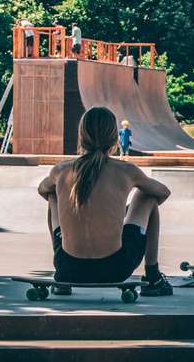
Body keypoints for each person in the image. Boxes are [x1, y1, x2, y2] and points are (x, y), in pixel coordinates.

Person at [37, 107, 172, 295]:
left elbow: (42, 190)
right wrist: (123, 211)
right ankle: (153, 277)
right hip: (115, 267)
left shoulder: (61, 170)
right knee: (146, 196)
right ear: (114, 138)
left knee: (53, 195)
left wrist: (71, 203)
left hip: (68, 268)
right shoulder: (126, 170)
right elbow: (163, 193)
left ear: (82, 136)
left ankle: (61, 283)